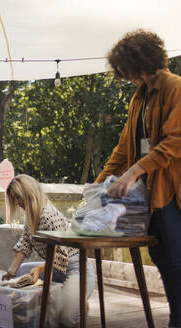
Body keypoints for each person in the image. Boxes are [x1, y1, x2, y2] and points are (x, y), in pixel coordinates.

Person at [97, 29, 181, 327]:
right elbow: (124, 147)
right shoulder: (139, 97)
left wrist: (135, 171)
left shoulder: (175, 88)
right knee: (162, 258)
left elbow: (175, 141)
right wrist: (99, 183)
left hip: (172, 191)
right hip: (150, 194)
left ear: (140, 62)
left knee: (175, 259)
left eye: (127, 71)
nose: (127, 78)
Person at [1, 174, 95, 327]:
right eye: (13, 199)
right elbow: (25, 242)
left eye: (18, 197)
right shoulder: (32, 215)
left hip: (75, 269)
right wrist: (12, 272)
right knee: (21, 273)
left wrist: (40, 274)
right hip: (55, 269)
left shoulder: (48, 216)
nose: (16, 203)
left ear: (29, 193)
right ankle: (65, 296)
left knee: (66, 320)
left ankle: (77, 300)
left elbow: (60, 256)